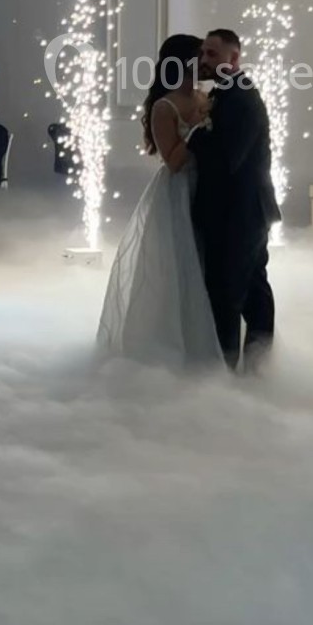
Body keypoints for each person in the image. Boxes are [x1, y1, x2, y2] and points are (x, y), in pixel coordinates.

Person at [97, 34, 222, 368]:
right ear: (183, 62)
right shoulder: (163, 107)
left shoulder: (204, 96)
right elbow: (173, 160)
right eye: (200, 57)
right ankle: (177, 343)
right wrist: (197, 129)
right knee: (179, 267)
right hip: (179, 192)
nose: (205, 63)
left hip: (208, 189)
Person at [187, 29, 279, 372]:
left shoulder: (239, 96)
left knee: (228, 293)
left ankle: (226, 372)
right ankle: (257, 369)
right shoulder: (227, 93)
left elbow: (228, 159)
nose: (205, 60)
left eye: (212, 54)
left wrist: (193, 140)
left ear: (234, 58)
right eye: (203, 53)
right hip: (242, 210)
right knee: (253, 289)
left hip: (240, 212)